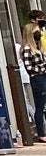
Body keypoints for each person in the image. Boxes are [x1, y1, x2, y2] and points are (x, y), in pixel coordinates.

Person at [23, 14, 46, 144]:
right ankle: (41, 133)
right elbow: (29, 67)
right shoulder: (27, 49)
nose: (39, 33)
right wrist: (42, 68)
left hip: (43, 75)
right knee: (40, 105)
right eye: (36, 32)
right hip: (37, 78)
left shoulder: (38, 48)